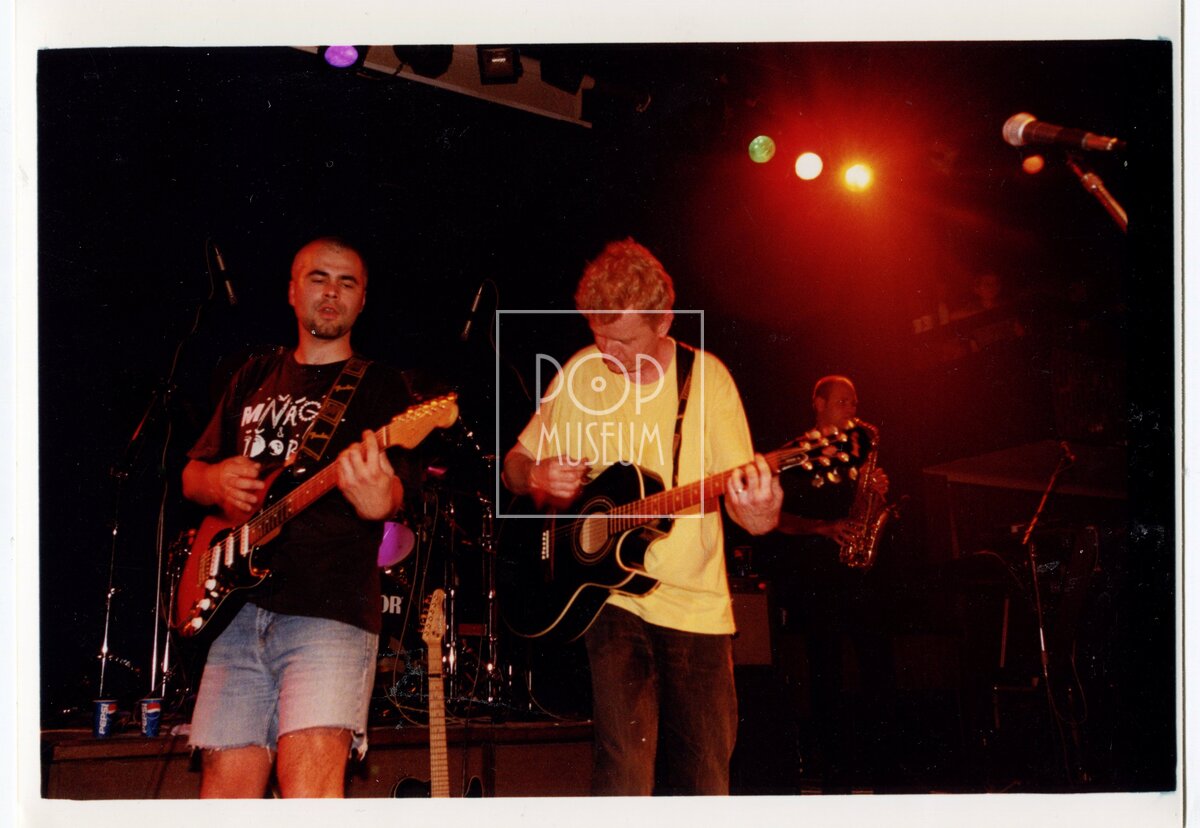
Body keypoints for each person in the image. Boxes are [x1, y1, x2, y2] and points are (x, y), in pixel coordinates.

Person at [501, 238, 783, 795]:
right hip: (612, 600)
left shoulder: (708, 380)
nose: (607, 351)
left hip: (697, 607)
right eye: (597, 332)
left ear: (664, 322)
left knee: (705, 781)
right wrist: (536, 475)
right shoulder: (580, 372)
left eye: (624, 339)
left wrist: (763, 510)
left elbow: (751, 516)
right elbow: (514, 464)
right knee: (623, 772)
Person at [181, 236, 416, 797]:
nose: (332, 292)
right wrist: (215, 481)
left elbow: (396, 494)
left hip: (328, 613)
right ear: (292, 291)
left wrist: (378, 498)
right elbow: (191, 475)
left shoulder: (381, 387)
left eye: (347, 282)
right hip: (233, 614)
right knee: (224, 798)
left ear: (362, 301)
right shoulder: (251, 375)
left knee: (311, 793)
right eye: (318, 278)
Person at [771, 374, 895, 792]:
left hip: (859, 574)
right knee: (827, 677)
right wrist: (822, 528)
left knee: (879, 671)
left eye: (854, 402)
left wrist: (876, 492)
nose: (852, 409)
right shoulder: (792, 454)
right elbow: (775, 519)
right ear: (819, 403)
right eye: (843, 401)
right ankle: (835, 780)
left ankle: (886, 777)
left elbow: (867, 507)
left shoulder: (856, 452)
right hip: (816, 579)